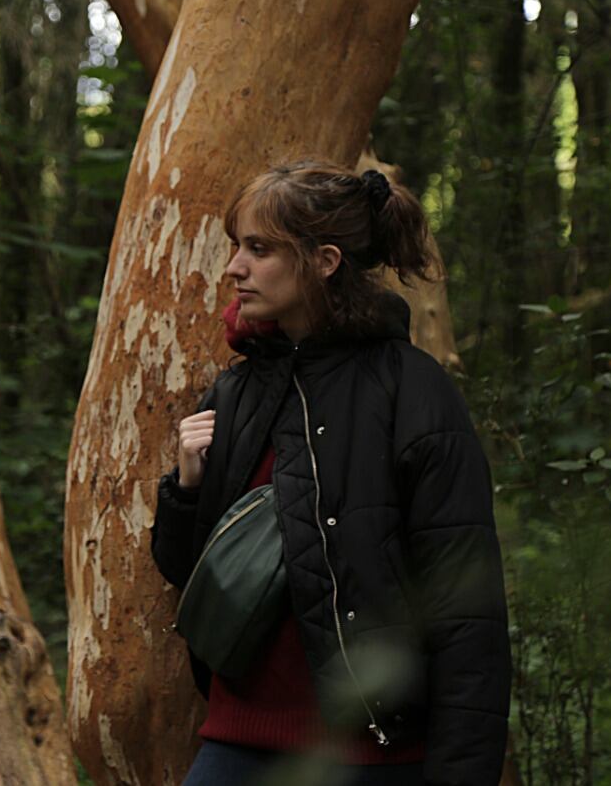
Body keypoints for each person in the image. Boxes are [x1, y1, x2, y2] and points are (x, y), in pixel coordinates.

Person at [151, 160, 511, 786]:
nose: (235, 267)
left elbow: (465, 610)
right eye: (238, 247)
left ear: (325, 260)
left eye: (259, 249)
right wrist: (186, 488)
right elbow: (189, 573)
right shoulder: (236, 395)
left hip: (372, 756)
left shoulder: (414, 394)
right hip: (236, 745)